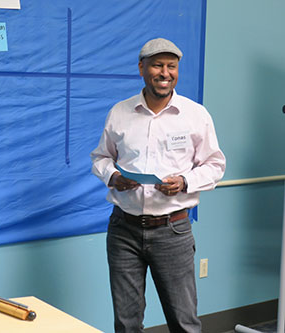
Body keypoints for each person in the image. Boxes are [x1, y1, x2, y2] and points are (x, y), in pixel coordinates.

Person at [90, 38, 226, 332]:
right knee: (126, 322)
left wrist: (185, 181)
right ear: (142, 68)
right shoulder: (119, 113)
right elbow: (100, 158)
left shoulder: (195, 115)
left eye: (171, 66)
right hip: (123, 230)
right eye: (157, 65)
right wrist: (113, 177)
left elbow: (215, 165)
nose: (165, 73)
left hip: (172, 230)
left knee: (183, 321)